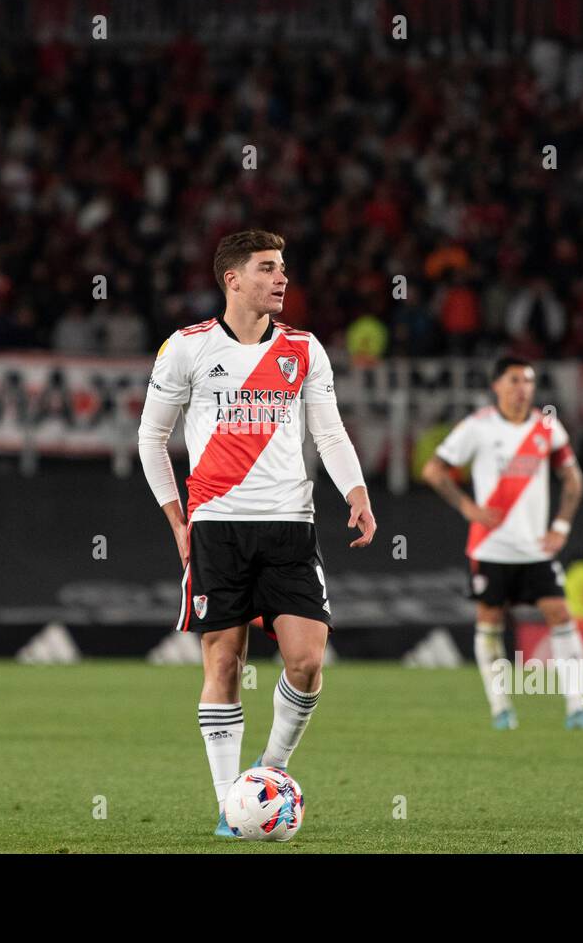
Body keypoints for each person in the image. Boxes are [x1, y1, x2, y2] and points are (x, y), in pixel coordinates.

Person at [137, 229, 377, 837]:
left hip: (290, 527)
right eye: (268, 268)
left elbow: (329, 431)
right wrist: (176, 518)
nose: (282, 279)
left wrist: (357, 492)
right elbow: (150, 438)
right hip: (216, 527)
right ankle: (228, 805)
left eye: (284, 268)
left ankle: (266, 777)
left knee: (306, 660)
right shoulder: (187, 348)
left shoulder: (304, 348)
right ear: (233, 279)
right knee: (223, 663)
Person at [421, 356, 583, 731]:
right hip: (490, 547)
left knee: (560, 614)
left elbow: (573, 479)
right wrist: (467, 507)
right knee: (489, 622)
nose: (522, 388)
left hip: (536, 548)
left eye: (528, 381)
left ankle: (577, 709)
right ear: (496, 386)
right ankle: (501, 709)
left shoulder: (547, 427)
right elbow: (433, 469)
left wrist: (561, 526)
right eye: (514, 380)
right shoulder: (478, 427)